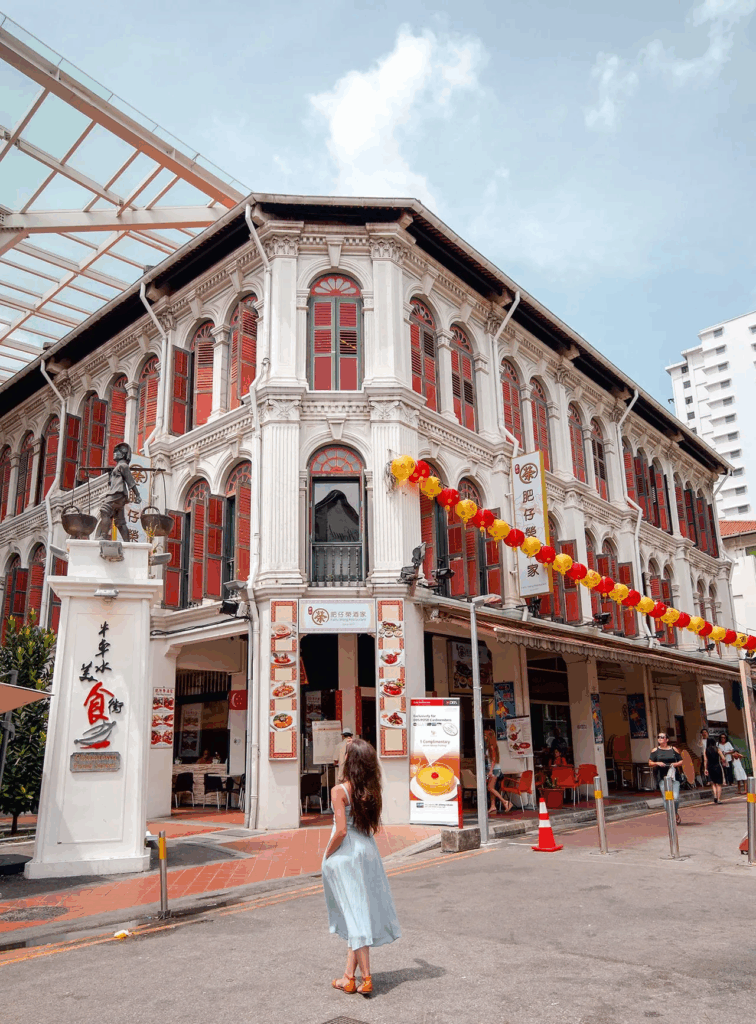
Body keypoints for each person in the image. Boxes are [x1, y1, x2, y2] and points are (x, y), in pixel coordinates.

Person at [323, 738, 400, 998]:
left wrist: (326, 853)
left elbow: (341, 830)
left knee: (354, 916)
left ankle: (366, 978)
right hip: (368, 852)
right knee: (358, 912)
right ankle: (348, 978)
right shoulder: (370, 790)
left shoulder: (339, 791)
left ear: (350, 762)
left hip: (347, 855)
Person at [98, 442, 141, 541]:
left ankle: (104, 536)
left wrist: (137, 495)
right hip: (119, 496)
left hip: (117, 493)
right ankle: (127, 542)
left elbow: (130, 481)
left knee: (104, 510)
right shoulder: (118, 467)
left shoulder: (123, 466)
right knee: (120, 522)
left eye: (117, 452)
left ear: (122, 455)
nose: (114, 453)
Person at [649, 732, 684, 824]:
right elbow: (650, 763)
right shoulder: (655, 751)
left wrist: (676, 764)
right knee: (667, 798)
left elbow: (681, 761)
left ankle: (675, 813)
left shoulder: (673, 749)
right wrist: (657, 763)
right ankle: (671, 815)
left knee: (675, 798)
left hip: (674, 777)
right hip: (663, 778)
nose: (660, 738)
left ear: (667, 740)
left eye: (662, 737)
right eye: (658, 737)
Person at [484, 727, 512, 815]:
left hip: (494, 770)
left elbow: (493, 760)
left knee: (490, 788)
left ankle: (505, 802)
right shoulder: (492, 746)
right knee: (492, 788)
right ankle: (493, 806)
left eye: (485, 735)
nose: (484, 737)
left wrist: (490, 771)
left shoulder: (492, 747)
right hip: (494, 769)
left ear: (489, 736)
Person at [705, 737, 726, 804]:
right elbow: (723, 758)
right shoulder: (717, 749)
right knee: (719, 784)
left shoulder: (706, 750)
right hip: (717, 766)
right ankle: (719, 799)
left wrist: (705, 769)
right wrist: (722, 760)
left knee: (713, 783)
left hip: (710, 767)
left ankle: (715, 796)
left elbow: (705, 760)